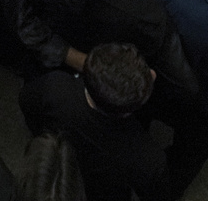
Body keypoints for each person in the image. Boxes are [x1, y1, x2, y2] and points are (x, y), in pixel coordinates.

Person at [19, 43, 168, 201]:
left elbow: (26, 102)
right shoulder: (148, 159)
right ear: (127, 110)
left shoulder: (54, 88)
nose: (153, 74)